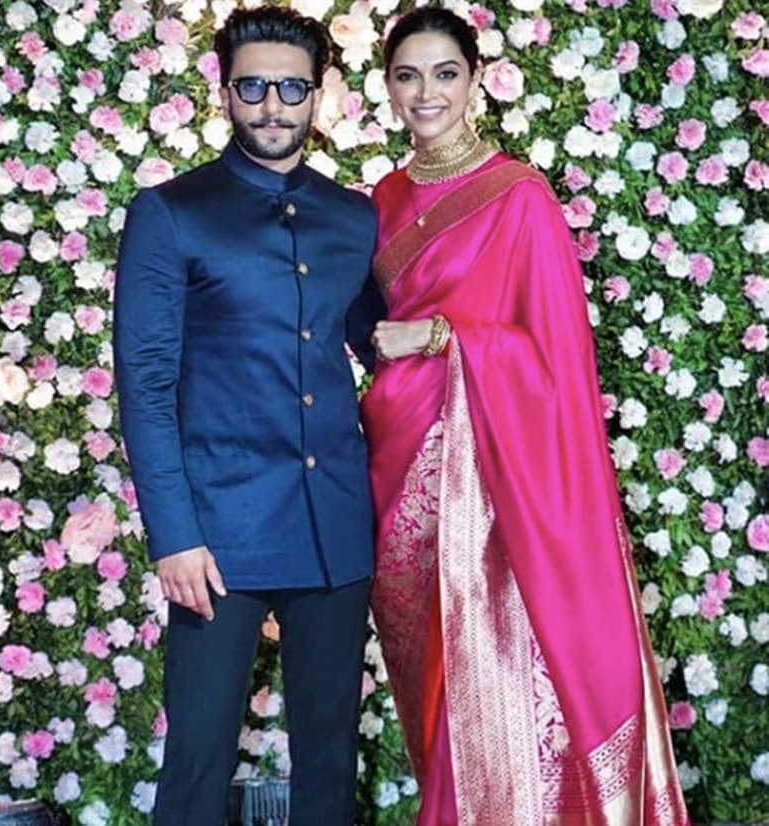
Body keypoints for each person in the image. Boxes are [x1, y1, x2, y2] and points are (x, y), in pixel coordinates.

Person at [362, 8, 690, 825]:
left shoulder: (521, 199)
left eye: (444, 73)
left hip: (504, 485)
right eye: (408, 75)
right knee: (441, 681)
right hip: (405, 472)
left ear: (475, 80)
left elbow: (554, 364)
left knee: (510, 666)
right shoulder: (382, 201)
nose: (426, 92)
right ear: (388, 88)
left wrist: (442, 336)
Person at [113, 7, 384, 825]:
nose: (273, 105)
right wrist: (173, 536)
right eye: (254, 86)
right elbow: (146, 383)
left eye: (292, 87)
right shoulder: (170, 212)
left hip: (334, 526)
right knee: (198, 756)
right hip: (217, 536)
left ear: (320, 94)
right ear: (225, 92)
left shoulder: (353, 216)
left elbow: (374, 341)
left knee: (331, 754)